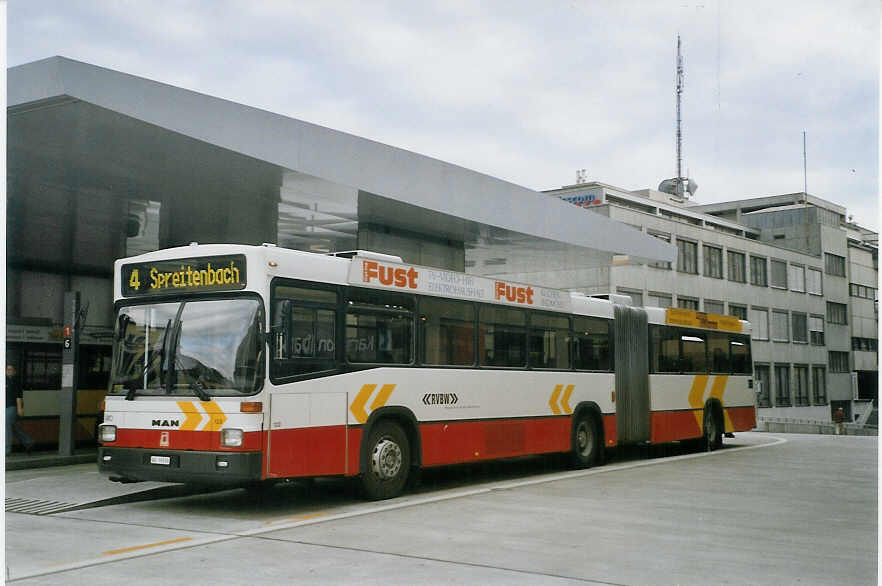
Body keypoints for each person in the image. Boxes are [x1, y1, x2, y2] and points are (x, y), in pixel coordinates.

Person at [6, 364, 35, 455]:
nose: (8, 371)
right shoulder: (5, 380)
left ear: (15, 371)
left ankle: (6, 450)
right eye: (7, 369)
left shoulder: (16, 382)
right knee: (12, 428)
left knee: (6, 427)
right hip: (5, 407)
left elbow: (18, 397)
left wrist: (19, 409)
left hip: (12, 407)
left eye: (11, 369)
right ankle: (29, 442)